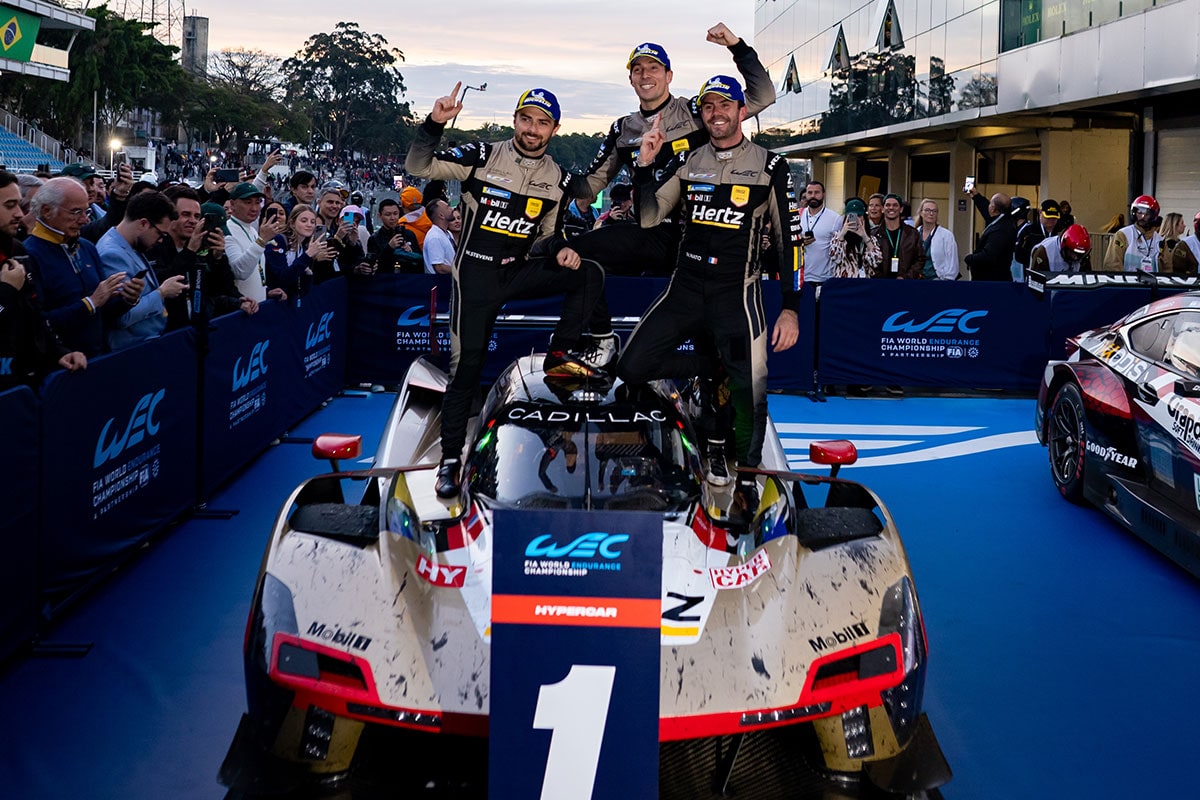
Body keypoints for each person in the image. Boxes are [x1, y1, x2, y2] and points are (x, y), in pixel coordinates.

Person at [405, 84, 612, 499]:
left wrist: (562, 249)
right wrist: (434, 124)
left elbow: (546, 239)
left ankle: (560, 355)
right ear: (515, 119)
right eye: (526, 119)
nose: (532, 129)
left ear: (554, 129)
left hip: (517, 272)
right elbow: (419, 165)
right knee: (466, 368)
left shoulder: (558, 178)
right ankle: (449, 461)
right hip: (476, 280)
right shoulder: (482, 156)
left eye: (542, 122)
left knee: (588, 273)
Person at [617, 75, 800, 516]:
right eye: (708, 107)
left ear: (741, 111)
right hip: (685, 287)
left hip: (737, 293)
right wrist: (643, 167)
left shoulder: (771, 166)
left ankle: (750, 479)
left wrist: (791, 309)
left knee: (750, 392)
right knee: (632, 365)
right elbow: (647, 217)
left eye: (725, 105)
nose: (716, 114)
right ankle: (711, 367)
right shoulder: (689, 160)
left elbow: (788, 243)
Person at [566, 24, 776, 278]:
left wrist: (736, 46)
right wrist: (549, 177)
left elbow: (763, 96)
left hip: (702, 230)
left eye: (654, 68)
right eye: (638, 69)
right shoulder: (623, 129)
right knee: (572, 252)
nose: (645, 75)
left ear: (669, 75)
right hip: (650, 229)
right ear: (630, 79)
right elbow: (588, 186)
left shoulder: (697, 111)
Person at [23, 177, 129, 355]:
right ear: (47, 211)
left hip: (96, 360)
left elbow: (104, 311)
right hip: (61, 368)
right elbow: (35, 324)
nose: (84, 220)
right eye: (75, 212)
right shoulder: (28, 256)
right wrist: (89, 303)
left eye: (86, 212)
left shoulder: (86, 247)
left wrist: (126, 299)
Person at [0, 170, 85, 390]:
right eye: (10, 206)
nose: (20, 214)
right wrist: (7, 292)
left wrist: (59, 352)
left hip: (24, 382)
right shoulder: (30, 249)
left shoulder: (17, 249)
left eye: (20, 205)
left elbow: (34, 314)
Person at [152, 185, 257, 329]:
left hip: (197, 332)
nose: (193, 220)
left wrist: (218, 258)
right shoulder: (153, 247)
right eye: (185, 214)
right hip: (167, 335)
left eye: (196, 216)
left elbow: (215, 291)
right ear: (170, 216)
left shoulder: (202, 249)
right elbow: (162, 280)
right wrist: (189, 251)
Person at [96, 191, 188, 350]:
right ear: (143, 224)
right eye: (160, 234)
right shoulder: (112, 254)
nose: (160, 241)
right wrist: (162, 293)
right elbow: (121, 317)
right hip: (131, 350)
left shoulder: (130, 245)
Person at [223, 182, 288, 302]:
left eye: (257, 202)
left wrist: (266, 291)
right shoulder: (227, 231)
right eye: (248, 202)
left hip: (258, 307)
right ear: (232, 204)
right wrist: (262, 241)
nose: (254, 208)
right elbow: (240, 272)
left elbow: (255, 270)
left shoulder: (252, 230)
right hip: (240, 311)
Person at [964, 186, 1015, 281]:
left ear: (993, 209)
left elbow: (988, 255)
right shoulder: (1002, 220)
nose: (988, 205)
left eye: (990, 203)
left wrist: (969, 259)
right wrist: (975, 196)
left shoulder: (1001, 230)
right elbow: (986, 210)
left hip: (992, 281)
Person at [798, 180, 843, 283]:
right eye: (810, 193)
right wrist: (800, 241)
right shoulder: (797, 216)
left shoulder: (835, 218)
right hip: (799, 277)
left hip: (824, 279)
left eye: (817, 192)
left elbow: (839, 249)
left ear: (824, 195)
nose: (813, 196)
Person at [1104, 195, 1164, 272]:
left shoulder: (1160, 241)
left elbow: (1167, 269)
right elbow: (1113, 264)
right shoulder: (1123, 235)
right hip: (1127, 283)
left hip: (1153, 283)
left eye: (1147, 214)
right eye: (1139, 212)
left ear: (1153, 216)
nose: (1142, 217)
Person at [829, 198, 882, 278]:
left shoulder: (871, 239)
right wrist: (843, 233)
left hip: (864, 285)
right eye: (852, 216)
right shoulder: (837, 236)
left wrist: (865, 237)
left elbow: (876, 262)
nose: (856, 219)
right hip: (845, 284)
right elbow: (836, 258)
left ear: (864, 217)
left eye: (859, 216)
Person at [874, 193, 922, 279]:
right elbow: (868, 259)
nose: (891, 208)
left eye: (895, 205)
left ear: (901, 209)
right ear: (882, 209)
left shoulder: (912, 234)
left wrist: (906, 277)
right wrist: (879, 277)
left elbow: (920, 259)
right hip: (880, 284)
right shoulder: (874, 234)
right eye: (888, 205)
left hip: (905, 284)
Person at [366, 198, 421, 274]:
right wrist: (389, 247)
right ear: (380, 216)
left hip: (408, 278)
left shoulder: (409, 234)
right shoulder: (374, 238)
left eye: (395, 214)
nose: (392, 218)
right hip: (386, 279)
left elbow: (420, 260)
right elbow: (374, 264)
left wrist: (410, 252)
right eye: (388, 215)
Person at [916, 199, 959, 280]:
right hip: (917, 280)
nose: (931, 214)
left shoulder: (946, 235)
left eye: (934, 211)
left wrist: (947, 280)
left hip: (938, 281)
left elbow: (952, 262)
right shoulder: (914, 233)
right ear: (921, 213)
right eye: (927, 210)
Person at [422, 198, 455, 275]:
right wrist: (460, 272)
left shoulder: (447, 233)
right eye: (448, 207)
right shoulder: (434, 237)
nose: (452, 209)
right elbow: (439, 268)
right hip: (440, 283)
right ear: (441, 215)